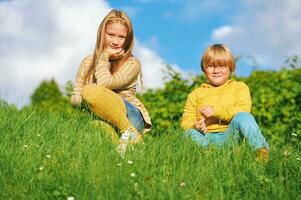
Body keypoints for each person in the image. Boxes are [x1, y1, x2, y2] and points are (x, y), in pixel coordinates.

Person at [70, 9, 152, 156]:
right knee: (94, 126)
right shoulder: (88, 61)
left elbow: (104, 83)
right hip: (104, 117)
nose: (115, 41)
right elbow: (75, 98)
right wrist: (81, 97)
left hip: (130, 115)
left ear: (128, 40)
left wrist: (104, 56)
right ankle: (125, 153)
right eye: (111, 35)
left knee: (90, 90)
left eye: (121, 37)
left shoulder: (132, 63)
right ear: (102, 34)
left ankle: (130, 131)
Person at [181, 44, 269, 161]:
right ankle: (209, 155)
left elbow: (243, 109)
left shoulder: (240, 87)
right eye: (211, 66)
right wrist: (195, 126)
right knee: (188, 134)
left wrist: (216, 111)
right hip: (206, 137)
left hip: (231, 136)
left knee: (244, 116)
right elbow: (186, 122)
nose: (216, 70)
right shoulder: (195, 94)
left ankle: (260, 151)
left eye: (221, 66)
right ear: (204, 68)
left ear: (230, 67)